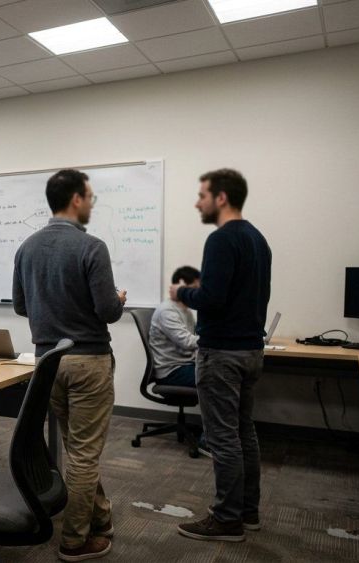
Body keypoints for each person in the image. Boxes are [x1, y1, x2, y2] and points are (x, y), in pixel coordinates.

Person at [13, 169, 126, 561]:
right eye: (90, 197)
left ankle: (101, 517)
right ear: (76, 199)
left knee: (77, 449)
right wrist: (119, 299)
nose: (92, 203)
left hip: (48, 364)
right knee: (84, 454)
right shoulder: (92, 247)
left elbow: (21, 307)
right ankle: (75, 541)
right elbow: (107, 311)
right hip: (88, 362)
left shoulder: (26, 247)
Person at [171, 169, 272, 542]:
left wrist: (182, 293)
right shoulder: (258, 239)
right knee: (244, 433)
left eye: (202, 195)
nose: (197, 203)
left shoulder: (221, 239)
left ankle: (226, 520)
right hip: (250, 350)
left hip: (222, 354)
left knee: (223, 438)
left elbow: (212, 299)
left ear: (222, 198)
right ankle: (247, 512)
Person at [149, 265, 211, 457]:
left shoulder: (186, 310)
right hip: (172, 371)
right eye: (195, 288)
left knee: (219, 373)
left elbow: (196, 339)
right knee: (215, 380)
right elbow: (187, 342)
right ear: (181, 285)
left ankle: (215, 434)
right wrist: (215, 339)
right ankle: (208, 439)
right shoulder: (167, 311)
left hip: (185, 365)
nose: (197, 293)